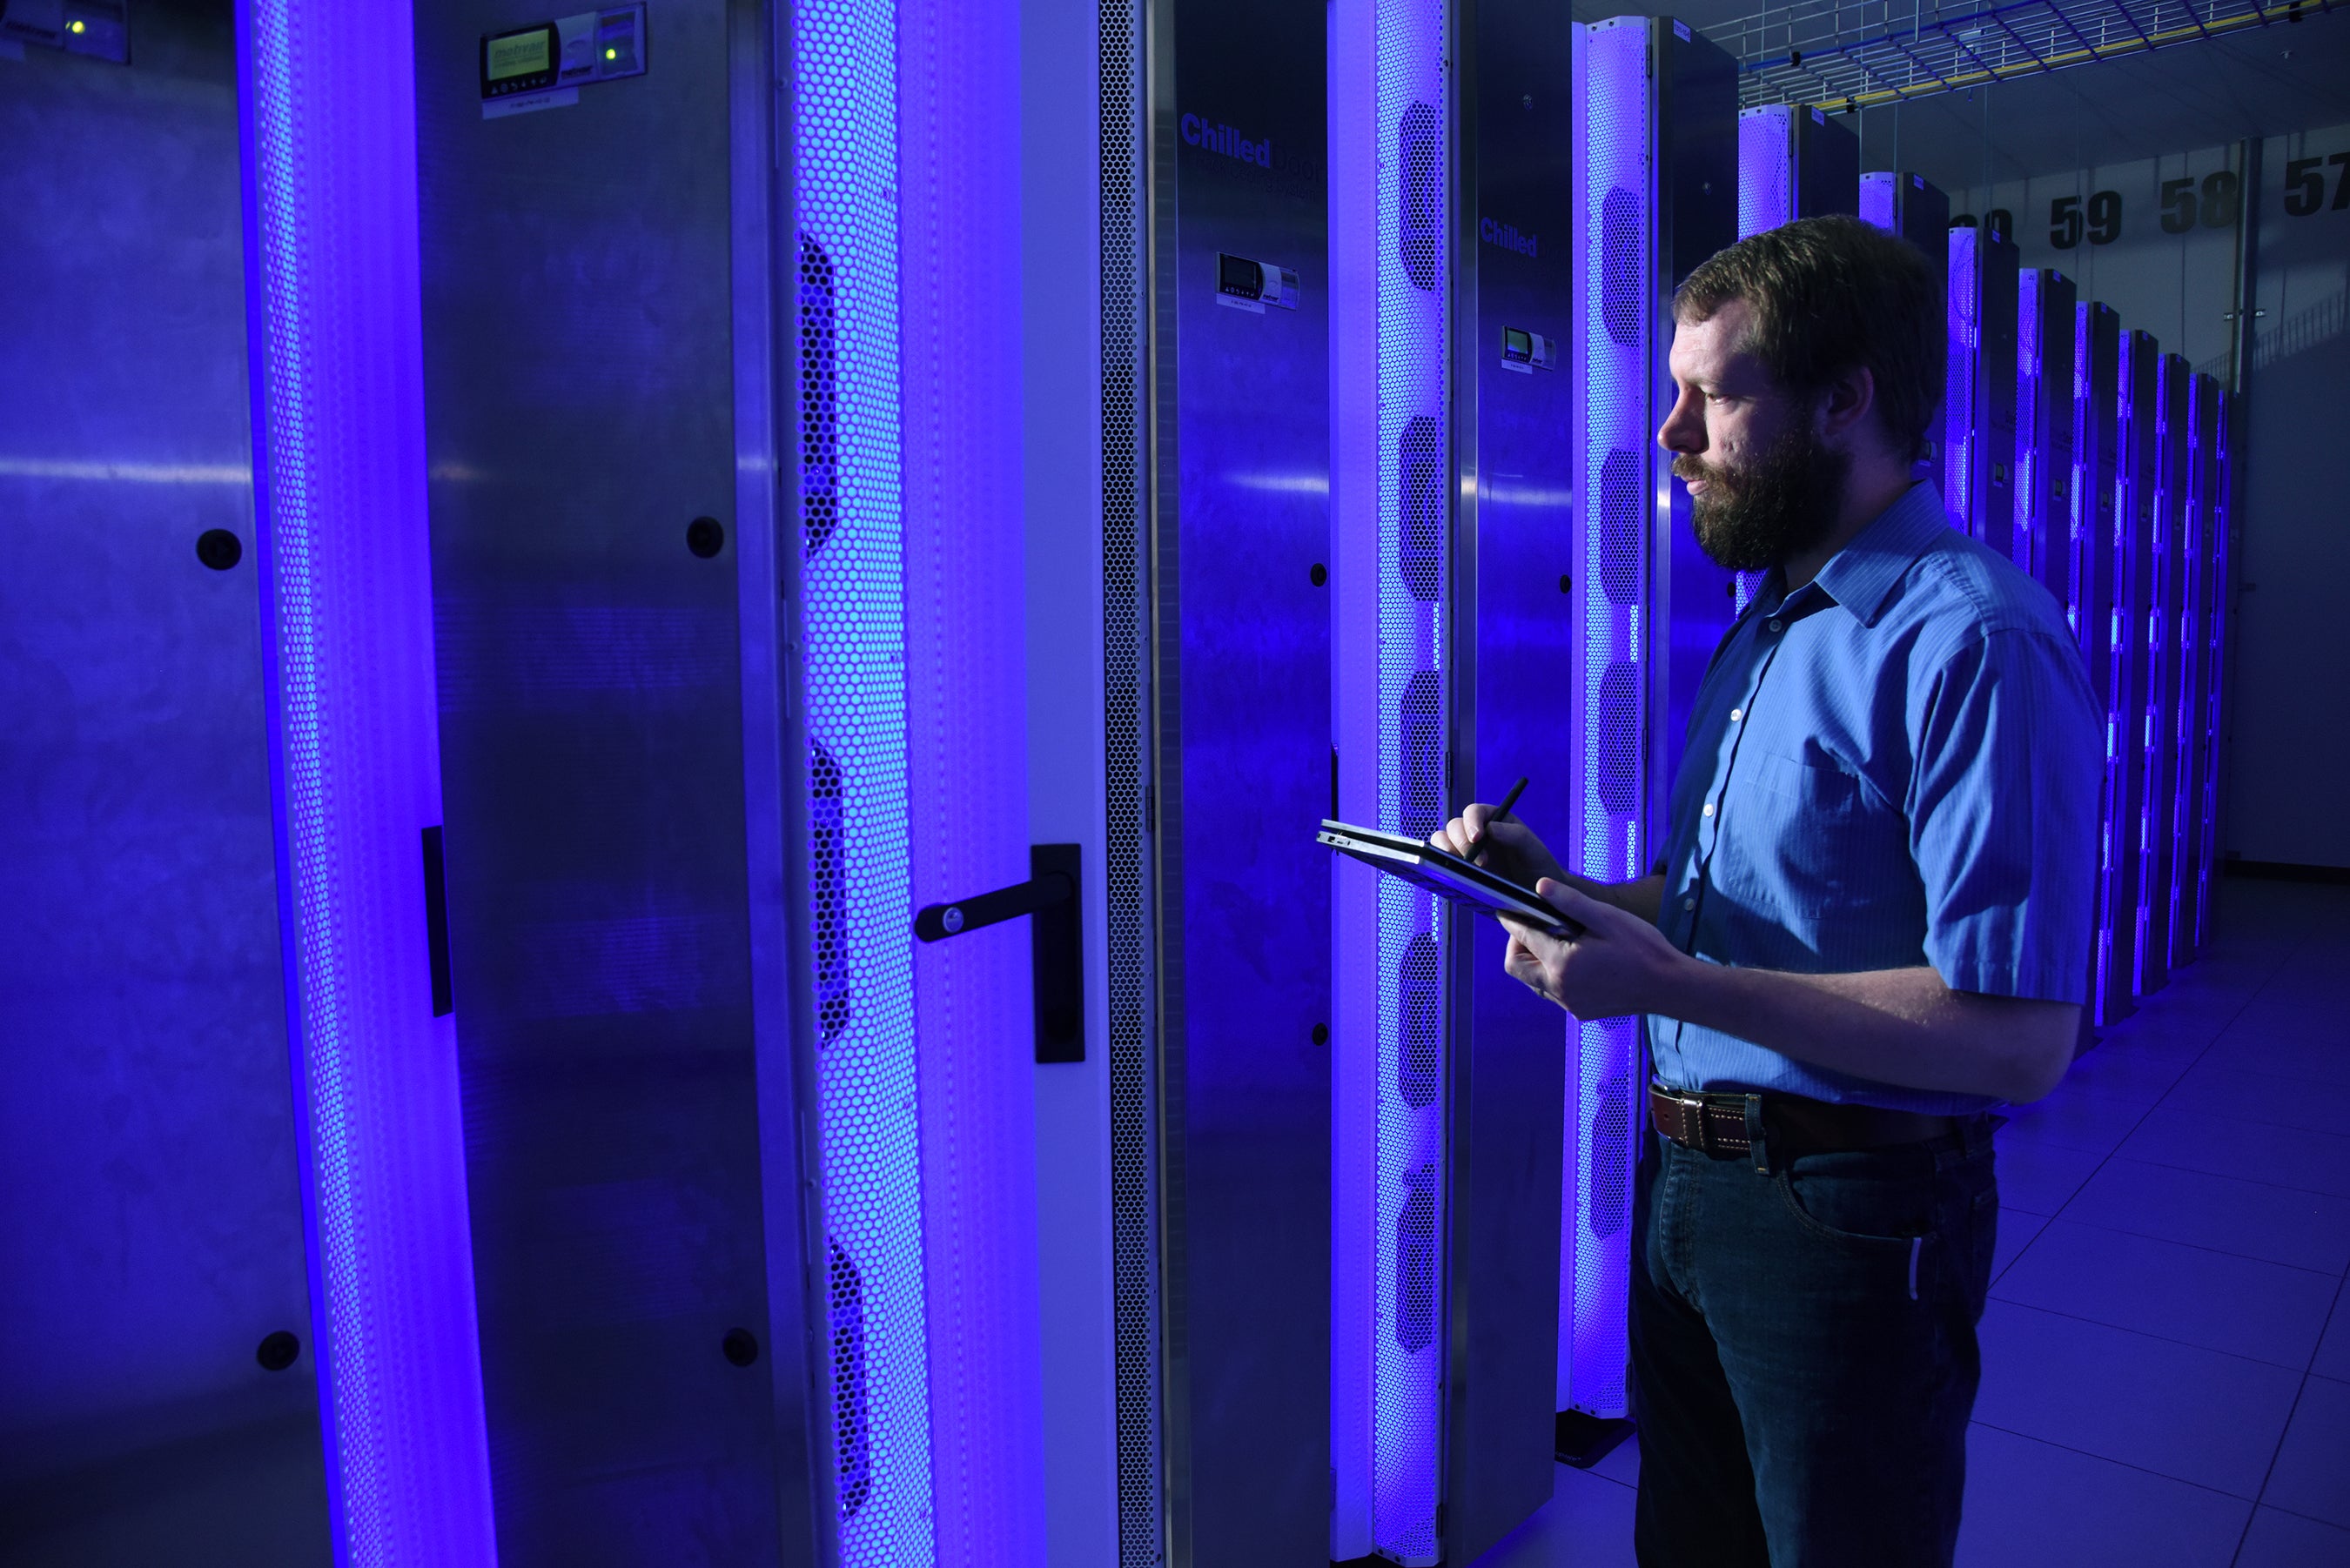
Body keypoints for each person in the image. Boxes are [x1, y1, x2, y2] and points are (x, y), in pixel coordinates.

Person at [1434, 214, 2101, 1567]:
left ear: (1844, 398)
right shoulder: (1771, 621)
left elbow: (2021, 1037)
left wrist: (1667, 985)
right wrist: (1558, 882)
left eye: (1715, 395)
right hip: (1693, 1193)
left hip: (1850, 1219)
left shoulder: (1972, 637)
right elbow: (1727, 903)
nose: (1673, 434)